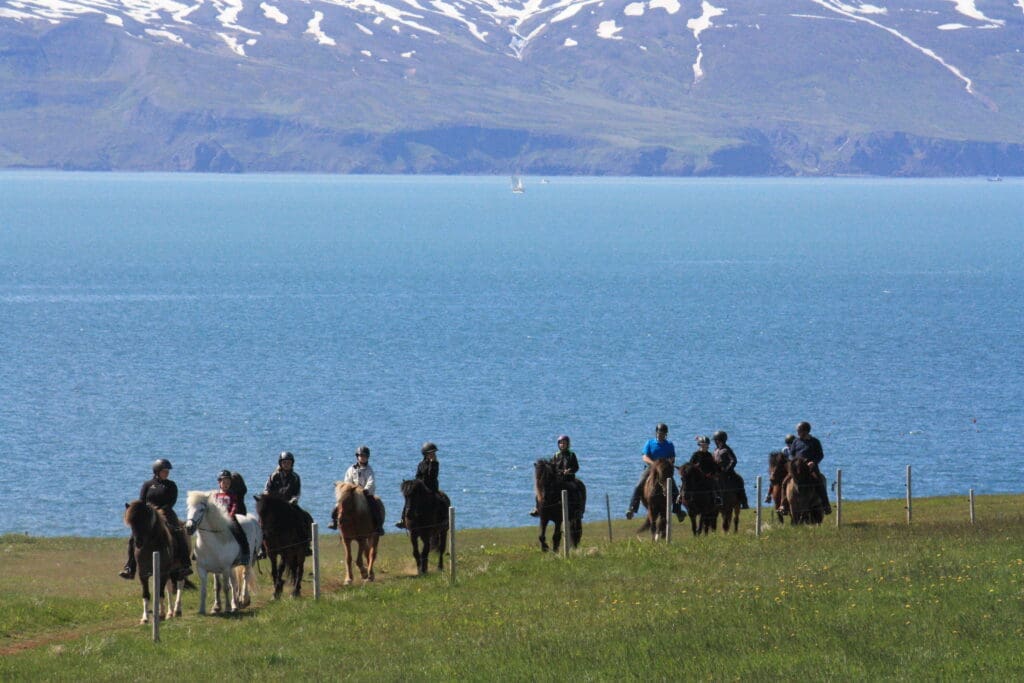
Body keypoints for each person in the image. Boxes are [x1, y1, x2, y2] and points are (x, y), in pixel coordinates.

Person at [119, 459, 193, 580]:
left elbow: (172, 501)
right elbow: (142, 501)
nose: (167, 473)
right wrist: (147, 512)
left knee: (179, 532)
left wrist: (161, 510)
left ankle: (185, 564)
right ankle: (130, 567)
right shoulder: (147, 485)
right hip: (149, 515)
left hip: (166, 513)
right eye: (164, 471)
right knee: (133, 537)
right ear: (157, 471)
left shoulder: (171, 485)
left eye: (167, 471)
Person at [626, 423, 684, 522]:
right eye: (659, 433)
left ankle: (678, 511)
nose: (660, 435)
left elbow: (672, 458)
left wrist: (665, 464)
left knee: (674, 488)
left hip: (664, 469)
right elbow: (644, 457)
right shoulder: (649, 443)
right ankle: (632, 508)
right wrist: (654, 464)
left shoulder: (669, 445)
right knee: (639, 484)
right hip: (651, 468)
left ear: (666, 434)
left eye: (663, 433)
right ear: (656, 433)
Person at [263, 451, 314, 556]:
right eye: (284, 462)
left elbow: (297, 492)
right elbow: (267, 489)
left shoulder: (295, 477)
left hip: (290, 505)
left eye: (289, 463)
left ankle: (306, 545)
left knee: (306, 518)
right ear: (280, 463)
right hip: (275, 506)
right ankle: (262, 548)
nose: (286, 464)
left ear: (292, 464)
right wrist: (268, 497)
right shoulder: (273, 476)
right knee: (262, 521)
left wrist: (294, 499)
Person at [330, 445, 384, 534]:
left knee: (375, 506)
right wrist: (350, 489)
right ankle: (334, 522)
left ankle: (379, 526)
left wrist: (366, 490)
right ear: (357, 456)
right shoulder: (351, 469)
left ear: (367, 457)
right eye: (360, 455)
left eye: (364, 456)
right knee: (338, 505)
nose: (362, 458)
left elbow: (371, 481)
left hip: (366, 494)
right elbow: (347, 481)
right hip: (353, 494)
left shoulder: (369, 470)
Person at [529, 435, 580, 517]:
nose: (562, 445)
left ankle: (577, 509)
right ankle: (538, 509)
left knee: (574, 489)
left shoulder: (571, 455)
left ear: (567, 444)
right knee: (542, 492)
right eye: (560, 443)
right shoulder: (556, 455)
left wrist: (569, 471)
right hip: (558, 479)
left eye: (564, 443)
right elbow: (552, 467)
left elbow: (576, 467)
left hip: (568, 479)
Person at [790, 421, 831, 514]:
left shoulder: (815, 442)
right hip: (797, 468)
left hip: (810, 468)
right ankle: (783, 504)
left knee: (818, 481)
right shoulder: (796, 441)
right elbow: (792, 454)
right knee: (785, 481)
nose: (797, 432)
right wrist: (795, 462)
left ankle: (826, 505)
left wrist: (813, 462)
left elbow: (820, 455)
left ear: (806, 431)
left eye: (799, 430)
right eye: (797, 430)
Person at [397, 442, 440, 528]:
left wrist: (432, 463)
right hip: (422, 488)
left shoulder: (435, 464)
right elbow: (417, 476)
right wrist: (417, 484)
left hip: (432, 488)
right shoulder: (421, 464)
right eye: (431, 453)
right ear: (425, 454)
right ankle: (403, 519)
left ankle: (441, 519)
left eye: (434, 453)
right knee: (409, 500)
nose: (433, 455)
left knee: (438, 501)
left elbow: (432, 476)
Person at [214, 469, 252, 566]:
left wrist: (231, 514)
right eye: (224, 482)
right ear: (219, 483)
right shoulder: (216, 494)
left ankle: (245, 552)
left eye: (228, 483)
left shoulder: (231, 494)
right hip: (218, 518)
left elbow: (234, 504)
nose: (226, 485)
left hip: (229, 517)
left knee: (238, 531)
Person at [712, 430, 749, 509]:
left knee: (738, 481)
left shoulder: (727, 450)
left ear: (718, 440)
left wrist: (727, 469)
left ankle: (744, 502)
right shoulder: (715, 450)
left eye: (715, 440)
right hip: (717, 472)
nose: (715, 442)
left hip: (728, 472)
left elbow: (733, 460)